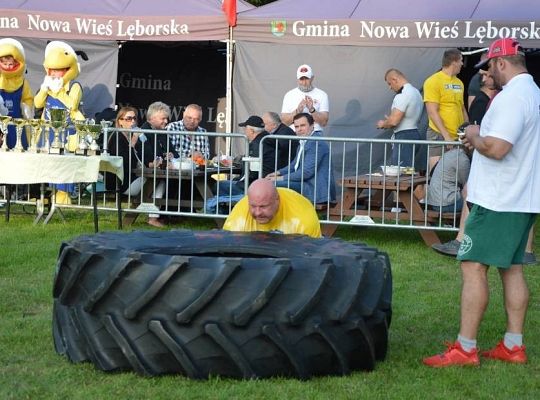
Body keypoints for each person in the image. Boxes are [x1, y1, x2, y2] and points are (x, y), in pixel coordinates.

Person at [423, 38, 540, 367]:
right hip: (521, 196)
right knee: (512, 268)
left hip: (499, 199)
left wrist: (473, 133)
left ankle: (465, 348)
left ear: (502, 62)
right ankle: (513, 345)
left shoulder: (514, 97)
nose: (487, 73)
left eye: (489, 66)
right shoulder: (533, 93)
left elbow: (498, 147)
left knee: (473, 266)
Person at [266, 113, 336, 205]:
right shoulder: (305, 141)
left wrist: (279, 178)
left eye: (303, 125)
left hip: (314, 189)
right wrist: (276, 173)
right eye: (296, 126)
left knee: (271, 184)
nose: (299, 129)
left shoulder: (316, 143)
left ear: (312, 126)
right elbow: (294, 165)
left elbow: (306, 172)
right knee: (268, 182)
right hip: (306, 184)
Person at [223, 178, 321, 238]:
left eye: (263, 206)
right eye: (253, 206)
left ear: (277, 200)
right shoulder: (238, 215)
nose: (257, 213)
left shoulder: (303, 219)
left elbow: (311, 258)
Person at [212, 116, 275, 208]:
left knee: (218, 185)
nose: (244, 131)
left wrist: (238, 181)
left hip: (252, 185)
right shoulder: (268, 139)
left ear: (252, 131)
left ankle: (224, 210)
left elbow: (252, 172)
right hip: (264, 182)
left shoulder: (256, 144)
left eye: (246, 129)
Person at [423, 49, 469, 169]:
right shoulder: (433, 81)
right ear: (454, 62)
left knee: (457, 173)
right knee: (436, 172)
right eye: (461, 61)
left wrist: (467, 129)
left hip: (457, 136)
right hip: (438, 134)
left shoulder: (459, 82)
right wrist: (446, 136)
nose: (462, 64)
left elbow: (462, 108)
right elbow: (432, 111)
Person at [135, 101, 179, 227]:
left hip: (162, 172)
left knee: (173, 181)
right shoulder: (143, 133)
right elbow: (148, 159)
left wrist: (171, 156)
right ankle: (153, 218)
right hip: (143, 174)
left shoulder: (163, 132)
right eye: (163, 118)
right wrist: (163, 160)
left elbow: (174, 154)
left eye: (167, 118)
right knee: (159, 180)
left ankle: (171, 215)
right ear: (151, 118)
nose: (166, 121)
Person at [376, 69, 424, 168]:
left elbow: (394, 121)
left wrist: (383, 124)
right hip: (414, 133)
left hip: (404, 136)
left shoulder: (403, 95)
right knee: (407, 171)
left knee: (400, 173)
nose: (390, 87)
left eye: (389, 83)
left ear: (395, 79)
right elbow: (408, 116)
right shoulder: (416, 92)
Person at [0, 38, 34, 149]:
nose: (8, 67)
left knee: (19, 150)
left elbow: (28, 98)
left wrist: (26, 107)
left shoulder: (23, 82)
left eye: (11, 64)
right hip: (0, 125)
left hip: (17, 124)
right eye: (5, 64)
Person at [281, 64, 329, 132]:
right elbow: (284, 122)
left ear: (312, 78)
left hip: (314, 132)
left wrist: (312, 110)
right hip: (293, 133)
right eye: (301, 79)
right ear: (297, 79)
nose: (304, 83)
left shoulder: (322, 95)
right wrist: (298, 111)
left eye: (306, 78)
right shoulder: (289, 95)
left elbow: (324, 122)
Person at [425, 147, 470, 213]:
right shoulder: (462, 158)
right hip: (446, 204)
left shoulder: (448, 154)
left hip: (434, 202)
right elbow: (467, 185)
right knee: (475, 202)